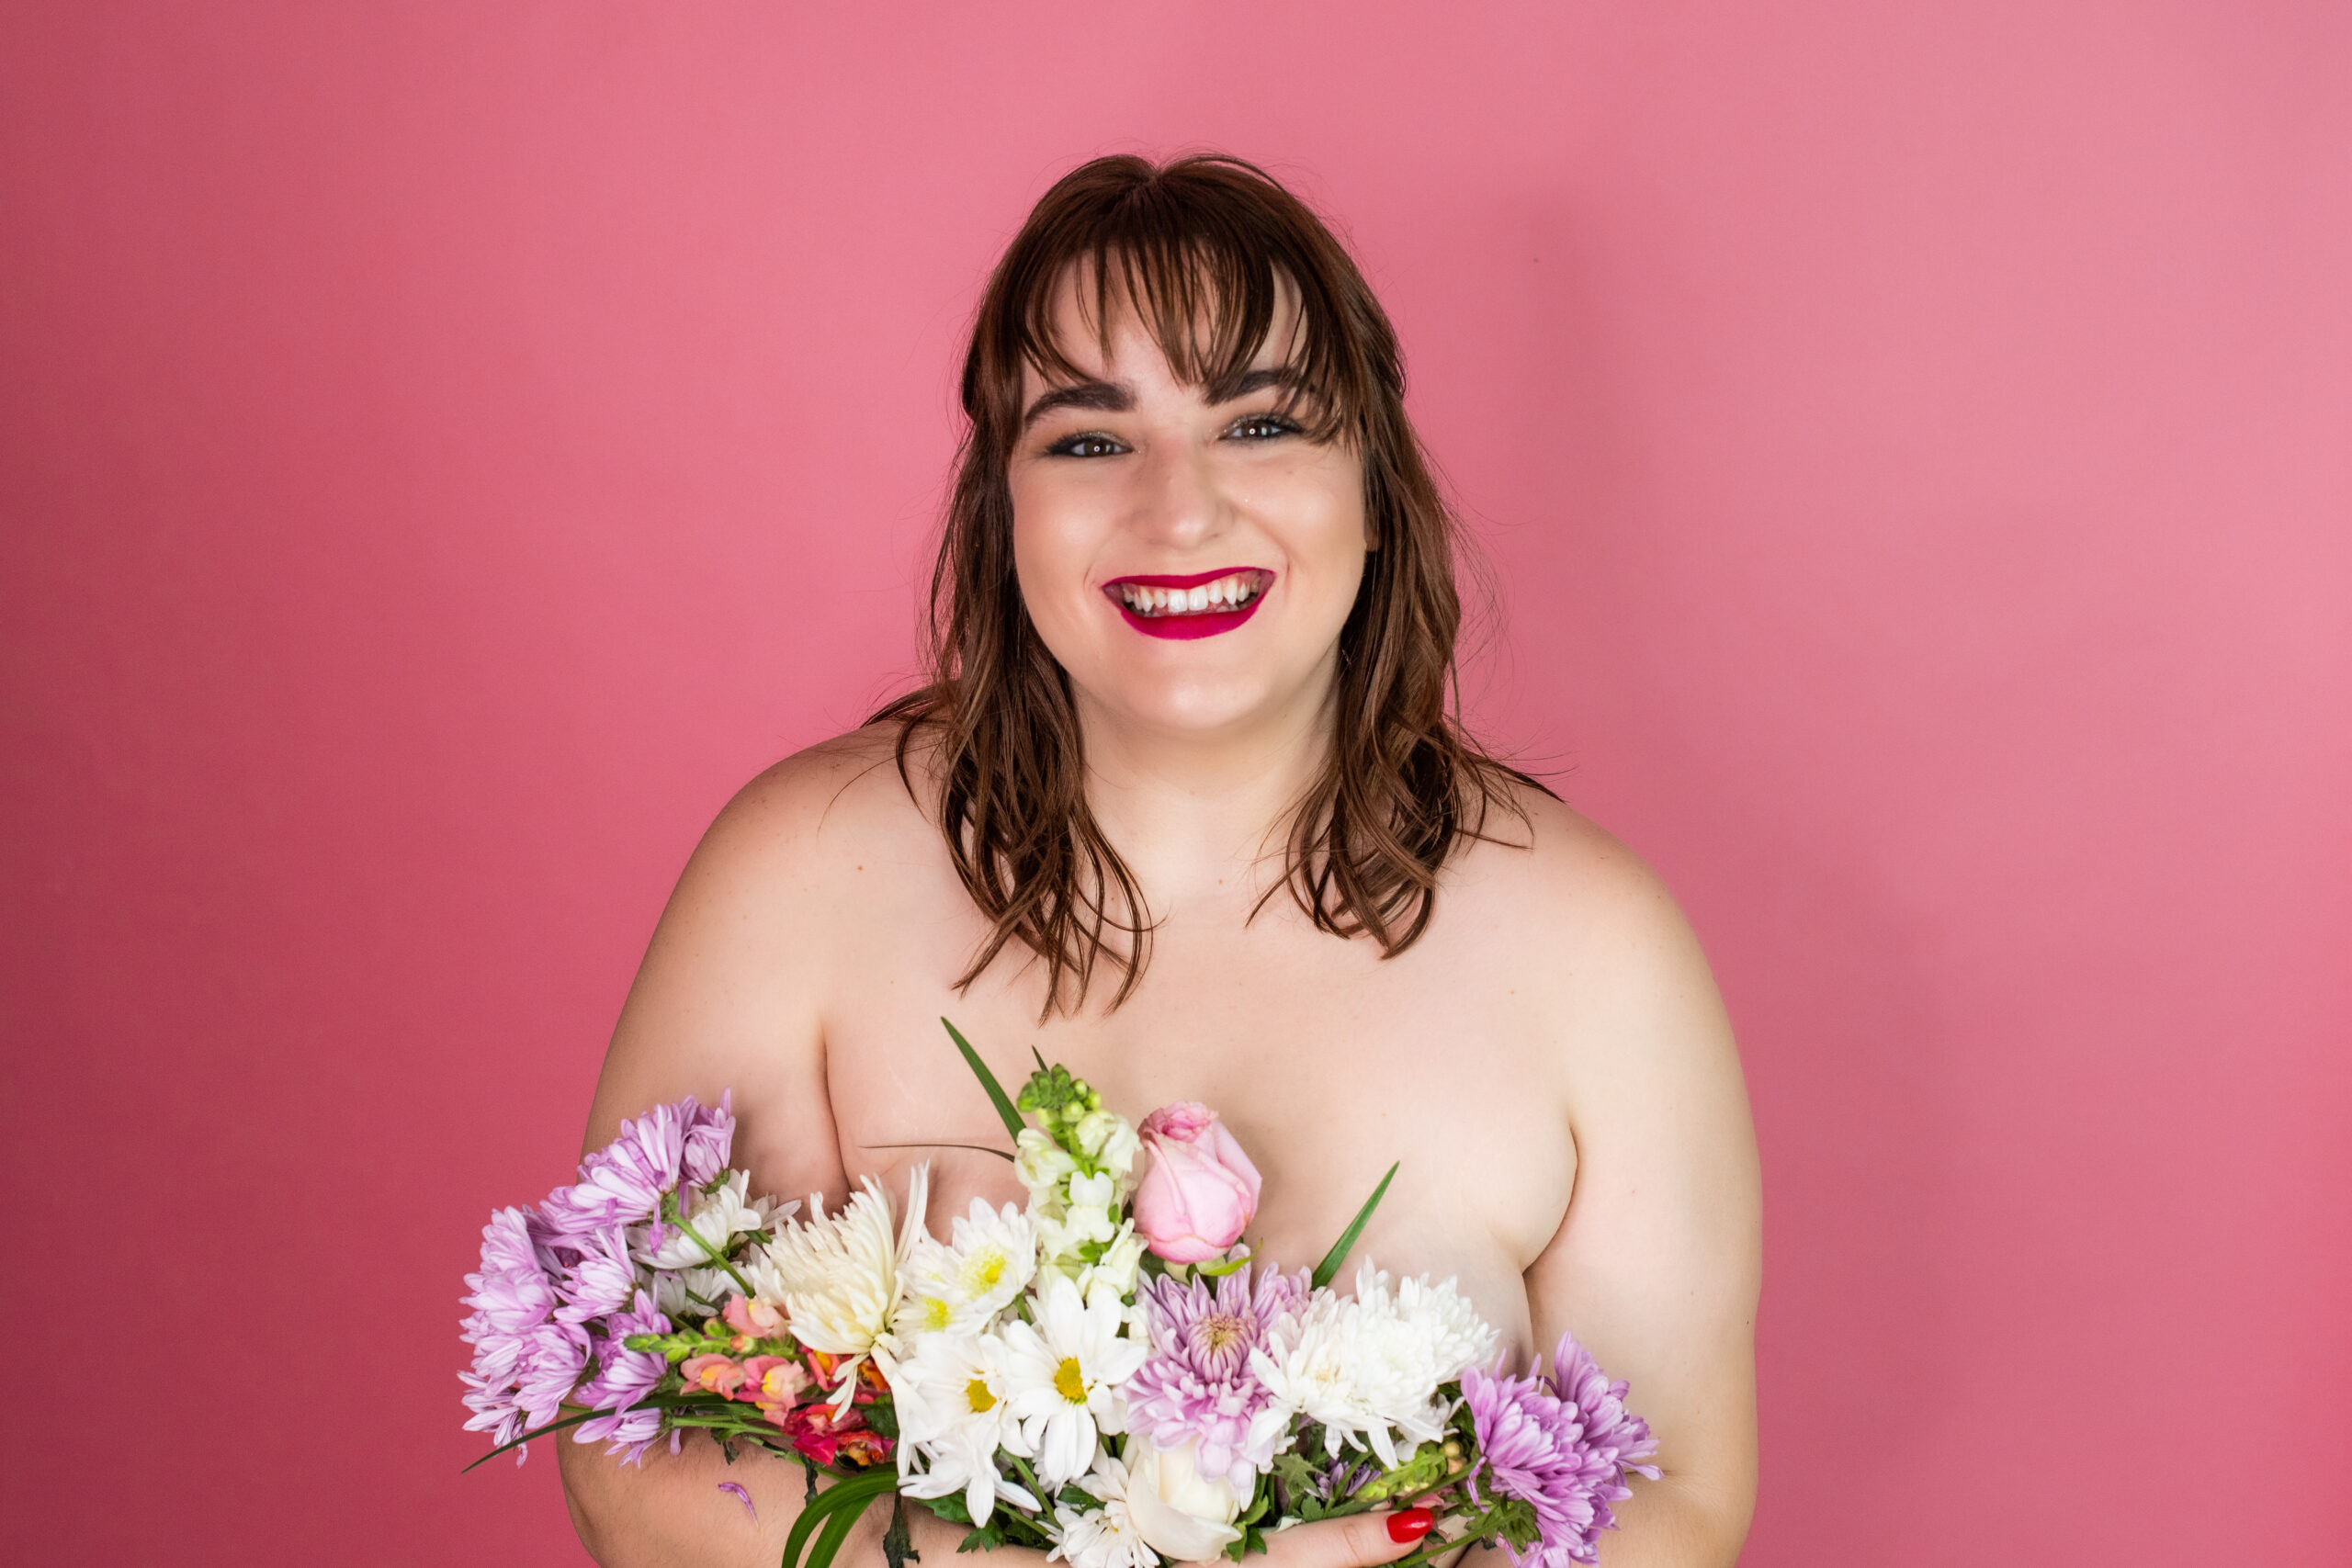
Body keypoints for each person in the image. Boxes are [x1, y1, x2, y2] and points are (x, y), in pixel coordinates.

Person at [558, 153, 1759, 1568]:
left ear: (1373, 492)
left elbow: (1669, 1499)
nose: (1178, 512)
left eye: (1261, 427)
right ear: (1004, 512)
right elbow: (640, 1438)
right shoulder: (798, 877)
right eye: (1086, 440)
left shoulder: (1600, 951)